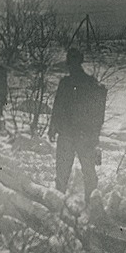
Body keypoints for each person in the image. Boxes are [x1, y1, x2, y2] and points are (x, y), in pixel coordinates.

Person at [48, 46, 107, 203]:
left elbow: (97, 113)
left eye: (72, 62)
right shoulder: (86, 83)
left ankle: (73, 204)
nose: (71, 65)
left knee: (78, 173)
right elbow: (57, 107)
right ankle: (78, 204)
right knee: (73, 173)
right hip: (77, 135)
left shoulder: (77, 83)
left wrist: (53, 127)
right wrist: (52, 127)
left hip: (75, 135)